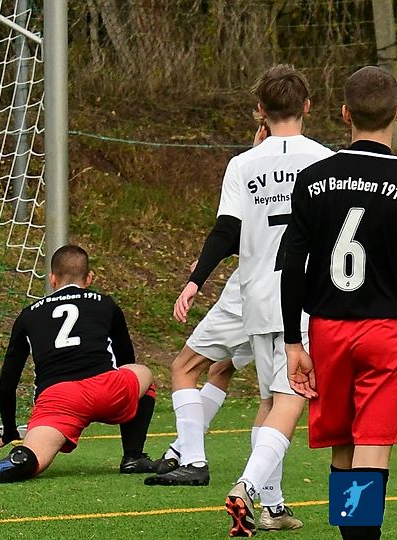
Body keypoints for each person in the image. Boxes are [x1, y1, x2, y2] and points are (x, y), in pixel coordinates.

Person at [170, 64, 334, 537]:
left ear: (260, 110)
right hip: (305, 300)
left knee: (268, 401)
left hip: (258, 298)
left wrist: (195, 281)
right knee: (289, 402)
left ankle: (273, 506)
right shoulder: (325, 161)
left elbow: (227, 229)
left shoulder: (243, 164)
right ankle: (246, 488)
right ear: (308, 106)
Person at [282, 65, 397, 540]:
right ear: (395, 114)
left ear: (345, 113)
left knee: (343, 441)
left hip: (327, 329)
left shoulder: (313, 179)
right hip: (385, 330)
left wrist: (293, 341)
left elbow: (292, 264)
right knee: (373, 441)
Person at [0, 245, 157, 485]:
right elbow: (125, 359)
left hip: (58, 399)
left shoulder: (28, 315)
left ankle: (19, 459)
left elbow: (7, 383)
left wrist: (9, 430)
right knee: (142, 373)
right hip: (106, 388)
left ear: (52, 279)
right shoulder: (105, 304)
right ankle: (133, 457)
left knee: (34, 458)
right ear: (89, 278)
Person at [145, 269, 257, 487]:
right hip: (290, 302)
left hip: (250, 294)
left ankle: (194, 462)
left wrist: (198, 276)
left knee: (183, 368)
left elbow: (229, 242)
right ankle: (179, 450)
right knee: (223, 369)